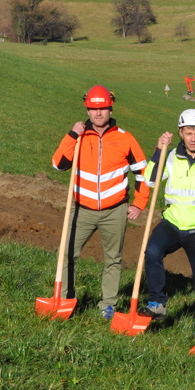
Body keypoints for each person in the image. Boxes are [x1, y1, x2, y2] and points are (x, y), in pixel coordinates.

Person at [51, 85, 150, 319]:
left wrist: (139, 203)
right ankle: (65, 299)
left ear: (110, 108)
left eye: (103, 108)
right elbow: (58, 164)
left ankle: (108, 305)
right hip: (81, 209)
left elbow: (143, 172)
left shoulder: (125, 139)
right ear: (87, 110)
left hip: (115, 210)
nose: (98, 113)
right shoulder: (78, 137)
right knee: (66, 254)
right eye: (94, 109)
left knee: (113, 259)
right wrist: (72, 135)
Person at [139, 109, 195, 339]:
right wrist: (159, 150)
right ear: (180, 132)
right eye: (188, 132)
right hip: (172, 222)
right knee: (151, 251)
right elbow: (150, 179)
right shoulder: (169, 157)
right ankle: (158, 302)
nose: (193, 138)